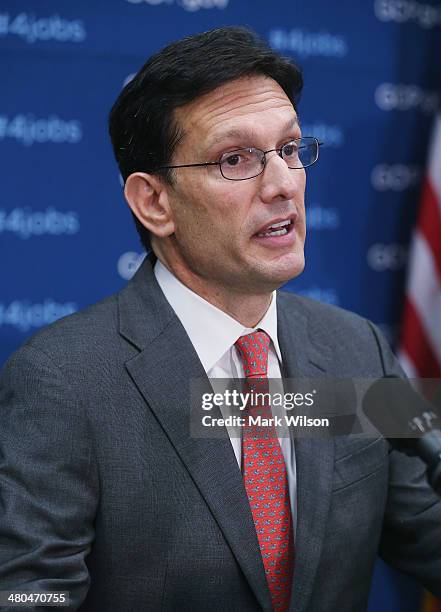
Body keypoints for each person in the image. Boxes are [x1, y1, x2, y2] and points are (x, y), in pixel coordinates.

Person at [0, 26, 440, 612]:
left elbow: (428, 527)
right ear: (155, 202)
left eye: (289, 149)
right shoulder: (61, 380)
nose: (284, 184)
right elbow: (32, 596)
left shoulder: (358, 348)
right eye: (237, 159)